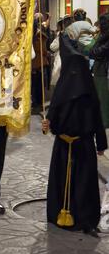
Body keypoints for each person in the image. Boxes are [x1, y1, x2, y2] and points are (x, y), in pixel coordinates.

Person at [42, 34, 107, 237]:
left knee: (73, 182)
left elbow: (54, 117)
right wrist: (101, 145)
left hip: (67, 146)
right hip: (81, 146)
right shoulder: (88, 89)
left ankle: (69, 216)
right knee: (82, 184)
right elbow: (97, 118)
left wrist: (49, 125)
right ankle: (80, 219)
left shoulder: (64, 88)